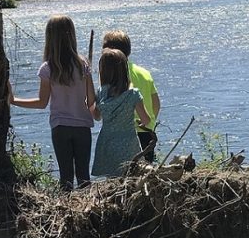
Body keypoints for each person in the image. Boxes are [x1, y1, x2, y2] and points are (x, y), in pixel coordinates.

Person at [9, 14, 95, 190]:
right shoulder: (83, 64)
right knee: (84, 176)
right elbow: (91, 100)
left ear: (50, 38)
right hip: (83, 126)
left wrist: (13, 100)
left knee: (66, 177)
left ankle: (68, 212)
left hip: (60, 127)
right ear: (72, 35)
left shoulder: (47, 68)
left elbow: (42, 103)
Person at [91, 48, 151, 178]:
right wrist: (140, 123)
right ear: (124, 70)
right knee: (130, 178)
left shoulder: (101, 93)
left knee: (111, 180)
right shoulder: (133, 94)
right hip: (128, 143)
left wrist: (88, 102)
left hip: (107, 142)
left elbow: (96, 117)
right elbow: (146, 120)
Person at [101, 30, 160, 161]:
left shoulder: (112, 76)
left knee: (122, 174)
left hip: (123, 134)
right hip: (146, 131)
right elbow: (156, 103)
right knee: (146, 172)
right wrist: (150, 121)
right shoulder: (144, 73)